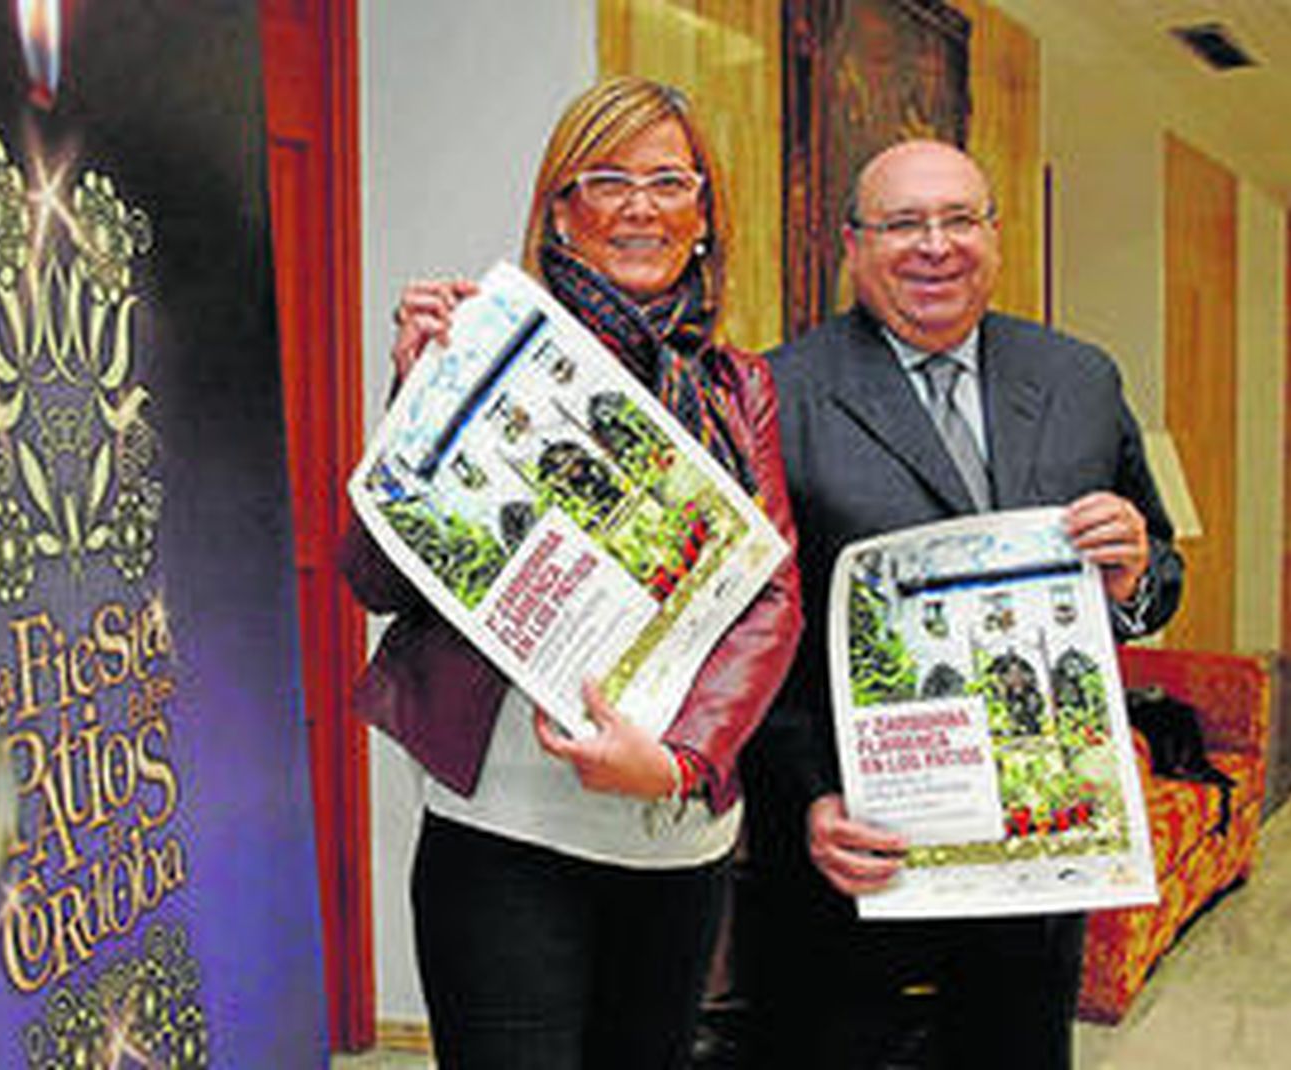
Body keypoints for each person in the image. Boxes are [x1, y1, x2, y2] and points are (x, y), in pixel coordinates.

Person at [337, 77, 802, 1069]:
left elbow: (769, 598)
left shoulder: (737, 386)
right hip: (502, 826)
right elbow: (373, 577)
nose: (640, 206)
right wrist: (414, 400)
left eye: (668, 182)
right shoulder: (485, 350)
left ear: (704, 213)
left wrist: (679, 761)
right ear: (559, 210)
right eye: (606, 180)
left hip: (673, 835)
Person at [737, 139, 1185, 1069]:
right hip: (856, 849)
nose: (934, 246)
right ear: (853, 249)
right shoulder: (779, 392)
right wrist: (810, 796)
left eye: (958, 219)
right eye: (902, 224)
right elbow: (749, 632)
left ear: (995, 236)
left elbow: (1158, 566)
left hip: (1034, 849)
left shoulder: (1080, 378)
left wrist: (1136, 572)